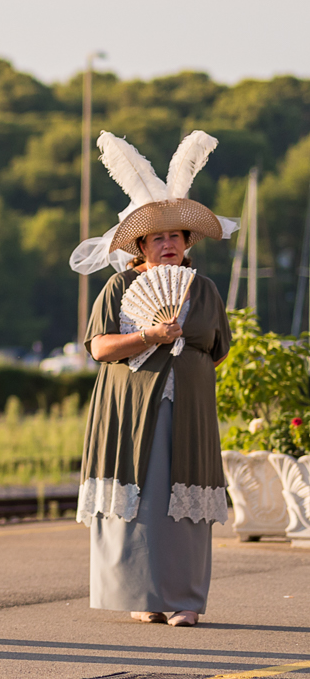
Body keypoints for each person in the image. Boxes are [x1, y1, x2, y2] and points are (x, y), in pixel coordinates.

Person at [73, 130, 237, 628]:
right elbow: (99, 347)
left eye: (175, 237)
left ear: (187, 243)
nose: (167, 245)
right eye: (156, 238)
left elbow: (219, 349)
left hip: (187, 408)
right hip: (127, 410)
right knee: (140, 500)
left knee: (182, 504)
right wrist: (150, 335)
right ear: (141, 246)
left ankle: (186, 600)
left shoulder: (203, 289)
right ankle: (145, 596)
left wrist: (185, 357)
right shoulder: (119, 287)